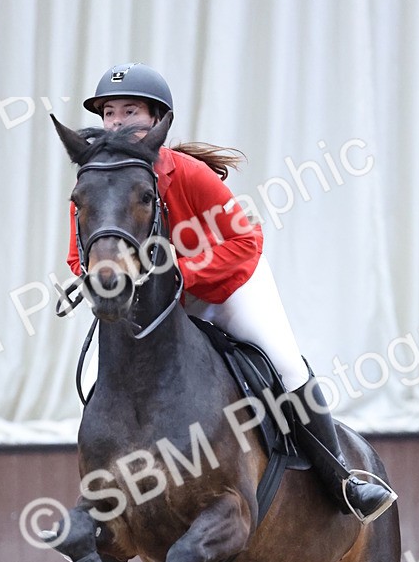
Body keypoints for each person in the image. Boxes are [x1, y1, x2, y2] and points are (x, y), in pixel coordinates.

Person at [68, 63, 396, 523]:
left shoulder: (189, 174)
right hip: (161, 301)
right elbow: (78, 256)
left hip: (227, 284)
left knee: (283, 363)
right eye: (109, 113)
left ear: (159, 119)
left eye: (130, 111)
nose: (118, 123)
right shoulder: (99, 179)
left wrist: (182, 272)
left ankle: (342, 479)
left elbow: (246, 241)